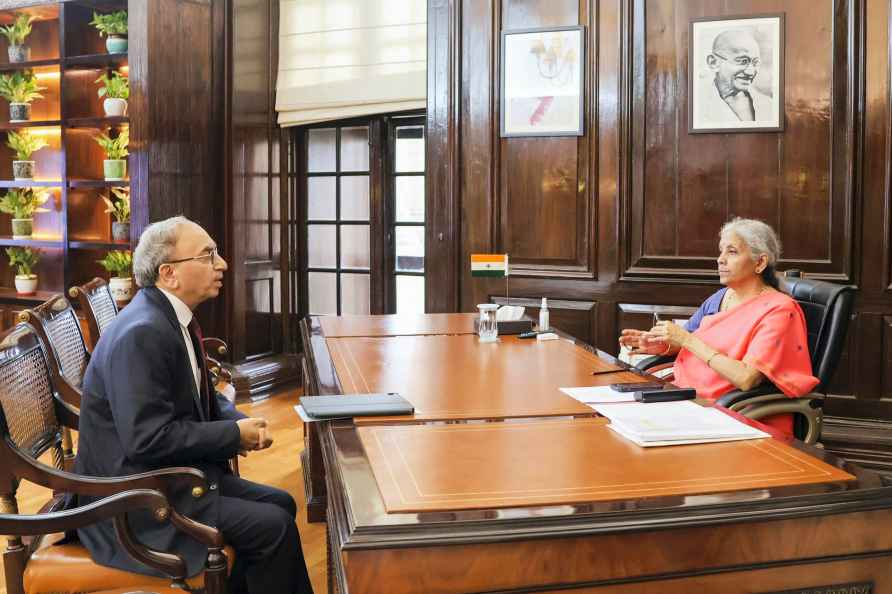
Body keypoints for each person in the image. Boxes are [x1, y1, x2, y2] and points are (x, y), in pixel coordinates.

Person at [73, 216, 313, 594]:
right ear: (169, 273)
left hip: (168, 479)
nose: (223, 264)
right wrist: (232, 434)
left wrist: (238, 424)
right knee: (273, 527)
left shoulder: (165, 317)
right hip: (138, 503)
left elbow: (202, 394)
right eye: (208, 255)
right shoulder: (142, 334)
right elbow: (147, 440)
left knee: (281, 504)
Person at [618, 218, 818, 437]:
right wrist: (661, 345)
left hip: (729, 412)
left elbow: (746, 378)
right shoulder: (722, 297)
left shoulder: (779, 310)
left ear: (760, 263)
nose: (720, 260)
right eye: (721, 251)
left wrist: (685, 339)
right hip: (683, 396)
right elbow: (694, 342)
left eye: (731, 252)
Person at [698, 29, 774, 124]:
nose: (750, 72)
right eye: (742, 61)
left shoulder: (769, 105)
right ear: (713, 62)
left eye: (755, 63)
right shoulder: (696, 105)